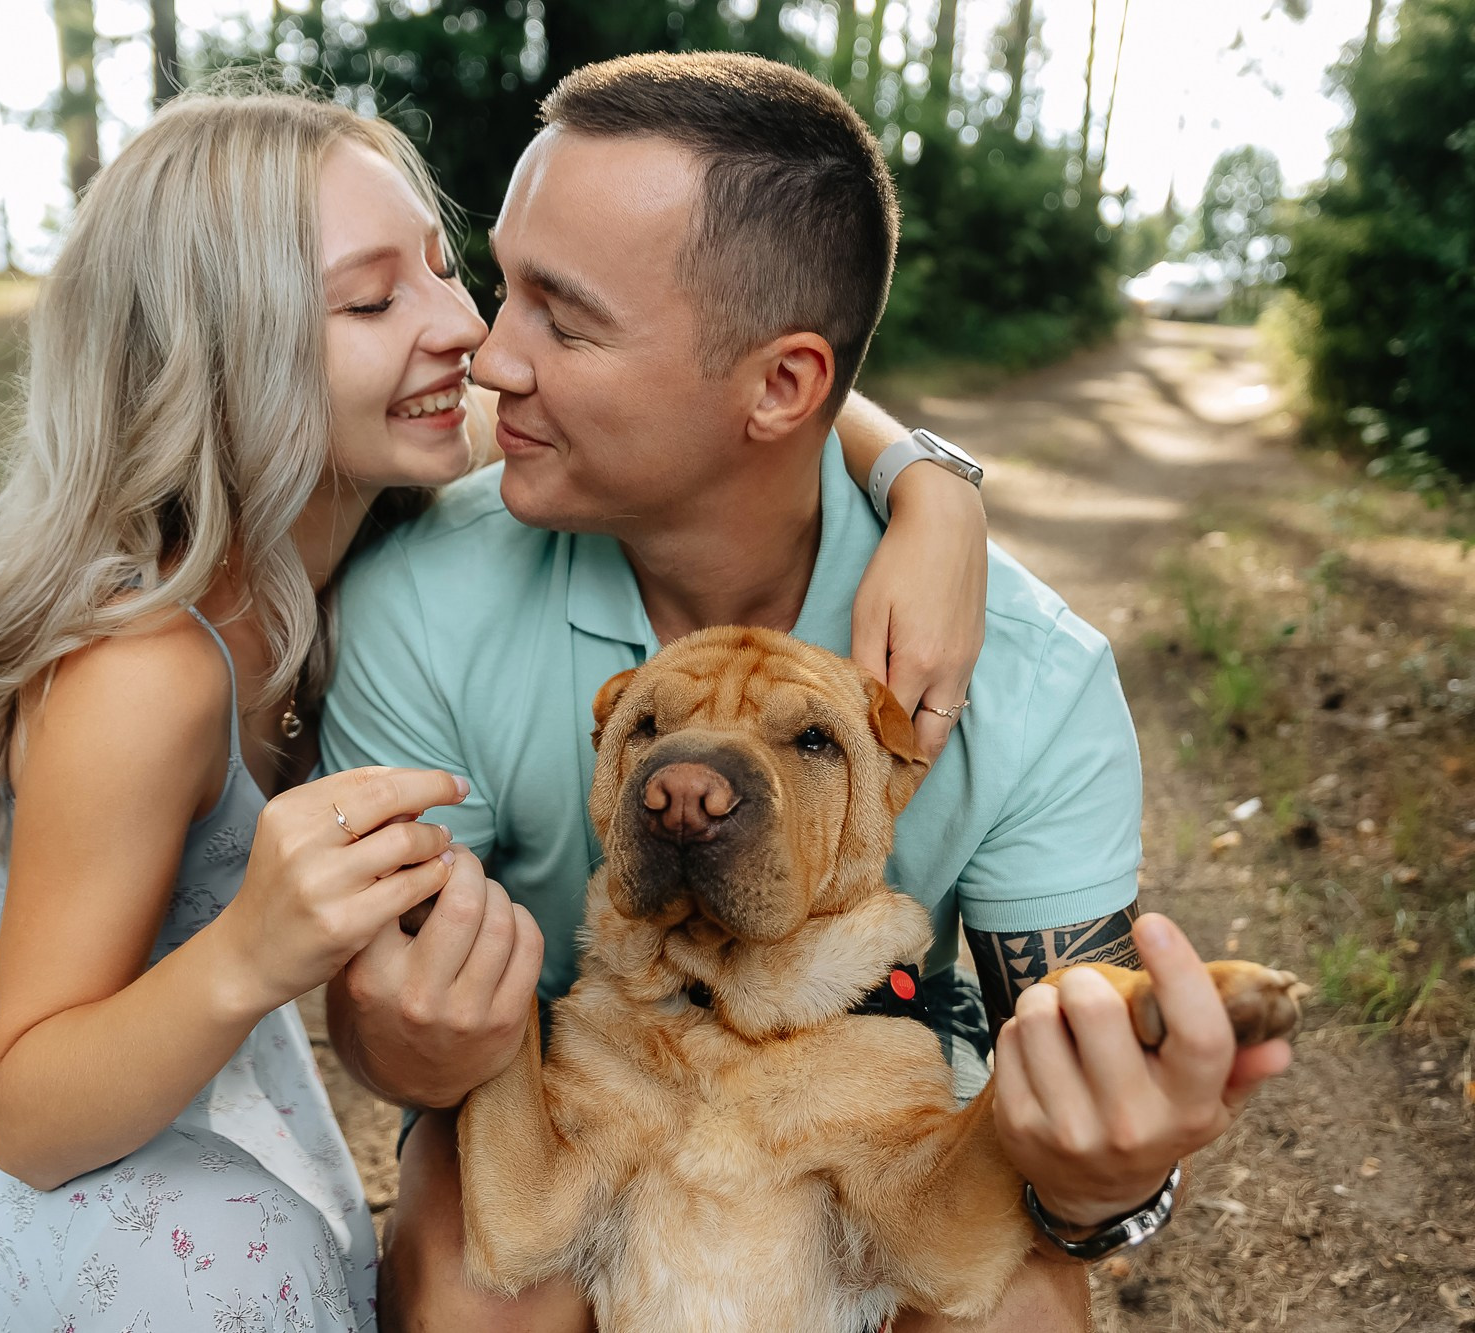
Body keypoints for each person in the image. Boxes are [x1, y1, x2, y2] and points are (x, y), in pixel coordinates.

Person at [0, 82, 988, 1332]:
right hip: (29, 1107)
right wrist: (252, 948)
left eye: (439, 266)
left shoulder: (401, 477)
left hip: (176, 1068)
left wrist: (929, 487)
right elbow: (27, 1112)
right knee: (260, 1271)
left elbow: (728, 392)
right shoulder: (140, 671)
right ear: (224, 357)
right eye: (372, 299)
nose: (465, 328)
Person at [320, 52, 1297, 1333]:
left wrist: (1103, 1176)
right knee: (466, 1277)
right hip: (583, 1105)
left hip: (854, 1143)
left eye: (562, 318)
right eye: (501, 287)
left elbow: (1085, 1135)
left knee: (1025, 1308)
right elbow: (382, 1032)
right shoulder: (420, 596)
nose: (483, 356)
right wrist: (406, 1035)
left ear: (783, 386)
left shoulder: (1033, 679)